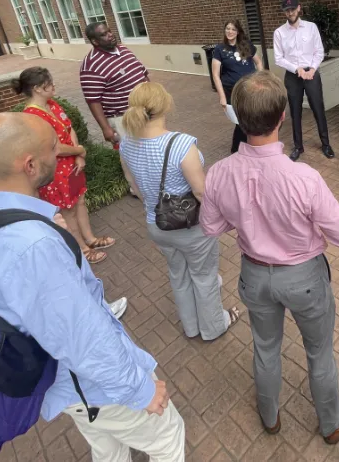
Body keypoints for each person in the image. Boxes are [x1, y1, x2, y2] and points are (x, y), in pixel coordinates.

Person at [0, 113, 185, 461]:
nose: (60, 154)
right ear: (30, 165)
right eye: (53, 148)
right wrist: (139, 389)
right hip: (96, 386)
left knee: (108, 449)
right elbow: (78, 335)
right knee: (168, 438)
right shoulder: (32, 247)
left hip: (74, 389)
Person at [200, 71, 339, 444]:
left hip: (254, 276)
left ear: (239, 120)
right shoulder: (303, 177)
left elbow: (210, 228)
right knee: (320, 352)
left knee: (264, 347)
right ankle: (331, 422)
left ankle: (270, 416)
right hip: (304, 277)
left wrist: (246, 218)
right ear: (281, 118)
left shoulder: (219, 173)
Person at [119, 82, 240, 340]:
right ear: (165, 106)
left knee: (178, 274)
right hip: (191, 227)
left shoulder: (126, 144)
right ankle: (213, 327)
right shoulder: (181, 144)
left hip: (157, 224)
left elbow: (133, 184)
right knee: (204, 277)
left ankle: (191, 326)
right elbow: (201, 192)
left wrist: (152, 205)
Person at [16, 67, 117, 265]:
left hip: (71, 164)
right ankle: (81, 248)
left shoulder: (52, 104)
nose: (54, 86)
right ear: (37, 88)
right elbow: (51, 148)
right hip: (55, 169)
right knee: (67, 211)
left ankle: (90, 238)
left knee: (79, 200)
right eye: (49, 84)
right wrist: (79, 151)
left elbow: (69, 128)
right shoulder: (31, 116)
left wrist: (78, 154)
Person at [80, 21, 148, 193]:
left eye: (109, 31)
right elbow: (93, 100)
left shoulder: (123, 50)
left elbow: (142, 72)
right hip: (121, 117)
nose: (110, 35)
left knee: (149, 149)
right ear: (95, 41)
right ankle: (137, 190)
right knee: (131, 156)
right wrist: (105, 128)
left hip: (143, 111)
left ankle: (152, 183)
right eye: (104, 34)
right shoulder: (91, 65)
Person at [273, 0, 335, 161]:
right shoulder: (279, 33)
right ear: (284, 12)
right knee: (295, 111)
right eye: (287, 10)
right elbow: (278, 58)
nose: (290, 12)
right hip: (293, 76)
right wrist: (297, 69)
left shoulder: (311, 27)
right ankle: (298, 147)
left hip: (312, 73)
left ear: (299, 8)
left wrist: (313, 68)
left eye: (293, 9)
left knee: (318, 109)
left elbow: (319, 51)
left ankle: (326, 144)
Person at [212, 19, 263, 153]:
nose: (230, 31)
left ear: (238, 31)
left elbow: (258, 63)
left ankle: (245, 148)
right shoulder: (220, 49)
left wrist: (261, 80)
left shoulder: (246, 45)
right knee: (240, 121)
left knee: (250, 119)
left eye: (233, 29)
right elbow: (216, 75)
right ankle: (236, 150)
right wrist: (222, 97)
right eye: (227, 28)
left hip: (250, 89)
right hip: (233, 91)